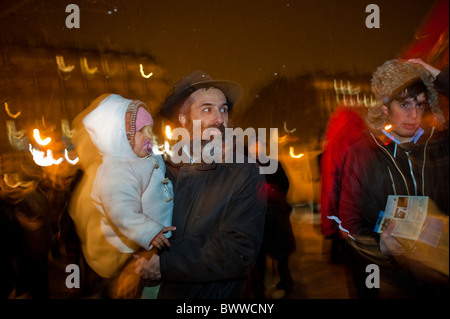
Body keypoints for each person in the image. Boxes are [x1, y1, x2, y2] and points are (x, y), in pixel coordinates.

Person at [136, 70, 267, 299]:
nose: (219, 118)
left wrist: (165, 265)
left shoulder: (244, 173)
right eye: (207, 109)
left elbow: (239, 251)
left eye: (223, 109)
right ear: (183, 119)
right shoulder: (161, 171)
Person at [338, 59, 449, 298]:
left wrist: (439, 77)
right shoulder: (363, 152)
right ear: (386, 109)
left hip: (435, 274)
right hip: (388, 278)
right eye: (405, 104)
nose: (413, 114)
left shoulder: (438, 146)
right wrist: (380, 245)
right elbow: (349, 221)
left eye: (420, 105)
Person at [69, 94, 174, 298]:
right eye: (141, 130)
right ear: (120, 137)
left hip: (144, 250)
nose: (148, 135)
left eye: (149, 129)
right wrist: (148, 232)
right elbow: (122, 212)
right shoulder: (115, 173)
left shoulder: (142, 159)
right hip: (128, 257)